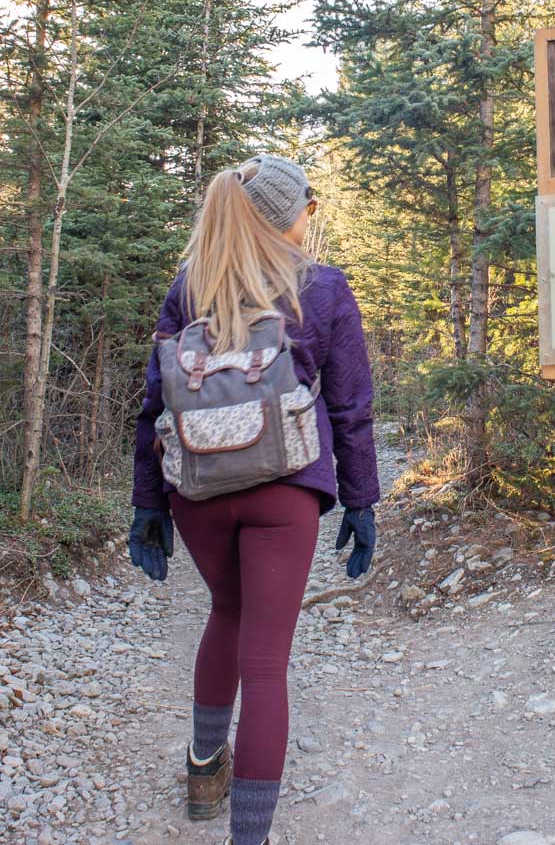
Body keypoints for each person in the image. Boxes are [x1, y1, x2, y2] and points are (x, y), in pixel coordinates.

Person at [128, 155, 380, 845]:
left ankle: (204, 769)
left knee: (226, 611)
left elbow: (154, 404)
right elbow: (351, 406)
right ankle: (250, 837)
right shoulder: (321, 288)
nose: (311, 215)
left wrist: (147, 503)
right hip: (285, 491)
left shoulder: (191, 286)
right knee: (267, 661)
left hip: (198, 490)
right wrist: (361, 501)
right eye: (309, 205)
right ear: (286, 214)